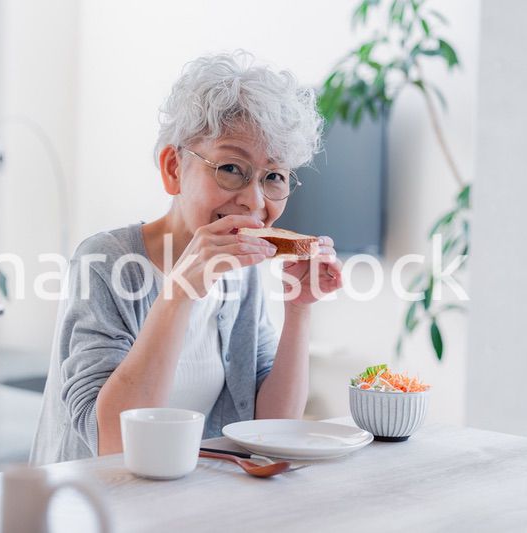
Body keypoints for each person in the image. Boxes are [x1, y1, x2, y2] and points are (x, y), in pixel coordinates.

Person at [30, 50, 343, 464]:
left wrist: (299, 310)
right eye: (231, 168)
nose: (254, 202)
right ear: (173, 168)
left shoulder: (240, 275)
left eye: (274, 176)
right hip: (90, 500)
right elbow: (114, 445)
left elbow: (272, 427)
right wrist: (179, 291)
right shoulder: (104, 262)